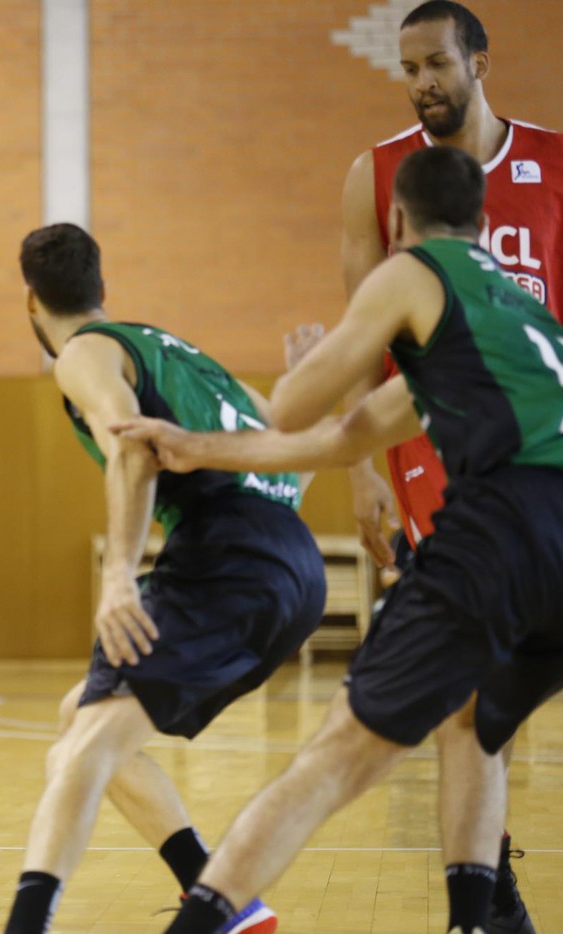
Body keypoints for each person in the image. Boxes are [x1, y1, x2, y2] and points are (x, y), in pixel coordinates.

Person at [117, 147, 563, 934]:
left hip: (507, 527)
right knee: (475, 722)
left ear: (396, 223)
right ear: (486, 221)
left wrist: (301, 368)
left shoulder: (414, 268)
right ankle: (483, 923)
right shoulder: (513, 314)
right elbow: (343, 439)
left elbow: (292, 411)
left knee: (334, 756)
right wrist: (197, 447)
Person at [1, 222, 326, 934]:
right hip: (295, 568)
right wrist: (304, 386)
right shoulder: (188, 358)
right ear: (103, 289)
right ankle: (222, 897)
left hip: (226, 559)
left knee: (84, 748)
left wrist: (118, 573)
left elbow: (133, 451)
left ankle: (26, 925)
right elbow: (293, 464)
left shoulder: (84, 353)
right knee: (78, 722)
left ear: (31, 302)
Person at [339, 6, 561, 927]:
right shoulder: (377, 173)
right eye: (408, 69)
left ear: (478, 60)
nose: (422, 82)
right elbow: (362, 330)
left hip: (542, 446)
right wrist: (361, 470)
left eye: (436, 63)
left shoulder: (552, 166)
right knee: (470, 684)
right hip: (432, 447)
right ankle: (486, 883)